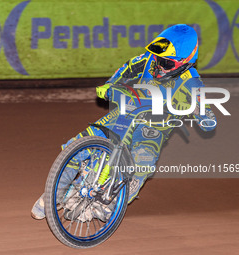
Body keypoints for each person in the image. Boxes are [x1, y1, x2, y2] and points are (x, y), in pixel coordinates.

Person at [31, 24, 216, 220]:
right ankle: (52, 194)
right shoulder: (146, 60)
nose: (159, 65)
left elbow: (209, 119)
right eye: (159, 58)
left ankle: (105, 207)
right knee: (75, 145)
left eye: (167, 63)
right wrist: (110, 87)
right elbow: (120, 75)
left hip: (152, 130)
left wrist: (201, 113)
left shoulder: (192, 83)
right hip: (125, 114)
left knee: (140, 170)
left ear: (185, 62)